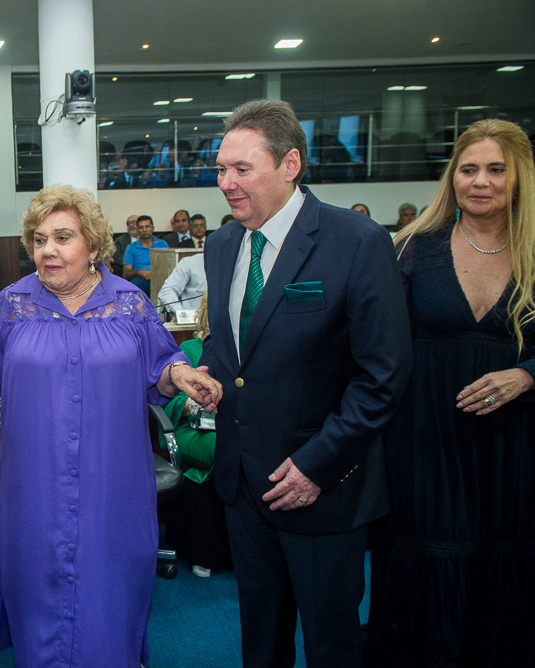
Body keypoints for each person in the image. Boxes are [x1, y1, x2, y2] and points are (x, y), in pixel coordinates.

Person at [0, 184, 222, 667]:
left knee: (109, 604)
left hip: (113, 490)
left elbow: (163, 364)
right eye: (39, 238)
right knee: (38, 597)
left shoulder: (130, 303)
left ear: (93, 246)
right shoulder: (11, 304)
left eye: (63, 237)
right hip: (34, 490)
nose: (47, 249)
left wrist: (183, 374)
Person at [202, 100, 412, 667]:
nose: (225, 183)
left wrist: (318, 465)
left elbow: (383, 375)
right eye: (220, 169)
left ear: (290, 164)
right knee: (260, 641)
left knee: (330, 645)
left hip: (323, 487)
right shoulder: (221, 247)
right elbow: (236, 354)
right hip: (244, 485)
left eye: (241, 169)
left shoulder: (357, 241)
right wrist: (209, 376)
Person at [369, 119, 535, 667]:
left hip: (516, 447)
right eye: (468, 169)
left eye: (495, 170)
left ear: (518, 179)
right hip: (426, 441)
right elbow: (375, 345)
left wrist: (528, 373)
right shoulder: (412, 251)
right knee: (426, 570)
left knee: (505, 571)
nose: (480, 181)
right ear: (452, 178)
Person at [160, 295, 233, 578]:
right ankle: (207, 550)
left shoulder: (246, 352)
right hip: (192, 428)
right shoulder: (189, 349)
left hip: (232, 425)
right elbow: (168, 400)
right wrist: (194, 403)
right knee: (226, 448)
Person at [123, 214, 169, 294]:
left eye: (147, 226)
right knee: (134, 285)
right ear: (137, 230)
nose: (144, 230)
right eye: (141, 227)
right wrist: (140, 272)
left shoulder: (162, 244)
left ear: (153, 228)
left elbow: (170, 265)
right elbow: (126, 273)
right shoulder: (131, 247)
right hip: (141, 279)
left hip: (161, 277)